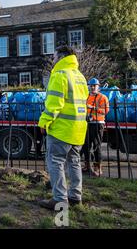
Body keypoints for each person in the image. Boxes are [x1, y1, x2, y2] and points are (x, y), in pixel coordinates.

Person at [38, 46, 89, 209]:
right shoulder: (80, 76)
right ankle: (75, 196)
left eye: (53, 57)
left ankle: (60, 199)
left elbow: (54, 103)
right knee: (74, 161)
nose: (52, 60)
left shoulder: (60, 75)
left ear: (61, 57)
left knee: (56, 162)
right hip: (79, 128)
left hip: (62, 129)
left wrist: (44, 121)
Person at [82, 78, 109, 177]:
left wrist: (93, 108)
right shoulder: (86, 96)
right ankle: (87, 165)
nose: (92, 87)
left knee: (96, 146)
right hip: (87, 123)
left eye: (94, 86)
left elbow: (105, 111)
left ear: (98, 87)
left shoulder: (103, 97)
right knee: (85, 145)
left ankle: (98, 168)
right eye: (91, 85)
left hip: (98, 123)